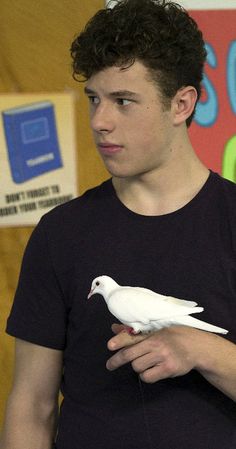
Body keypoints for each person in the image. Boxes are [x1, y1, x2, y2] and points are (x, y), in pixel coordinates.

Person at [1, 0, 236, 448]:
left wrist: (202, 349)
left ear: (181, 104)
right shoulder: (59, 234)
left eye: (123, 101)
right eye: (94, 99)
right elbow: (32, 407)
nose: (99, 121)